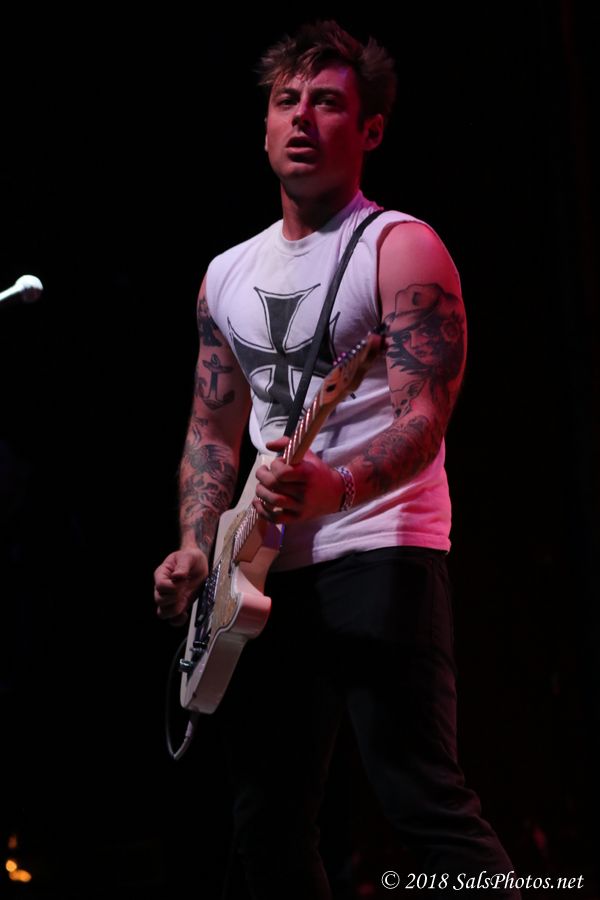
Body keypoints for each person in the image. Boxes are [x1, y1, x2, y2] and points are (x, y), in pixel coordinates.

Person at [154, 20, 520, 900]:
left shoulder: (401, 246)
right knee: (268, 826)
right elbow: (212, 428)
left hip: (382, 544)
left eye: (327, 102)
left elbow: (426, 412)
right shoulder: (226, 274)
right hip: (260, 572)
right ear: (264, 126)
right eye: (287, 101)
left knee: (420, 801)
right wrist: (198, 549)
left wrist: (340, 485)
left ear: (371, 129)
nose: (303, 117)